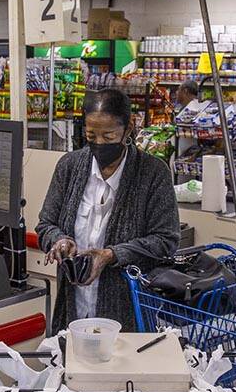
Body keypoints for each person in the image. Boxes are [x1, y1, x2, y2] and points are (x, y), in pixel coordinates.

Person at [37, 88, 179, 331]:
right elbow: (45, 225)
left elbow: (166, 240)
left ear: (129, 129)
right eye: (92, 136)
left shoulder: (153, 173)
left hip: (127, 315)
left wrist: (112, 255)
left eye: (109, 136)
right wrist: (59, 240)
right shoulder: (69, 167)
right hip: (73, 309)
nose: (100, 144)